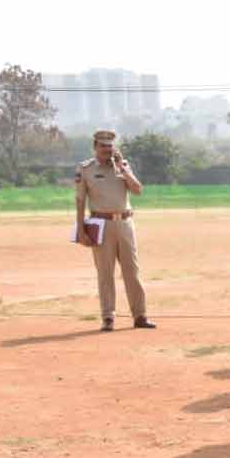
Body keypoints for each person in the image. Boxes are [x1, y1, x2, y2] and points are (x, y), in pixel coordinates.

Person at [74, 129, 154, 332]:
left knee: (132, 271)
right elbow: (80, 200)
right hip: (101, 224)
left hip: (125, 223)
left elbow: (138, 190)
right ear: (95, 147)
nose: (106, 150)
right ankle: (108, 317)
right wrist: (81, 229)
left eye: (110, 146)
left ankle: (140, 315)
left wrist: (124, 170)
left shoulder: (122, 166)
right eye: (102, 146)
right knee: (105, 273)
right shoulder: (86, 169)